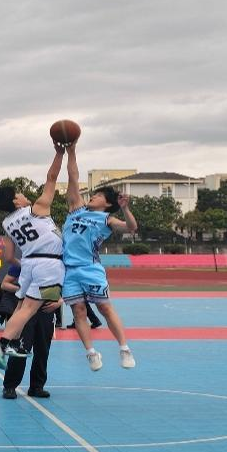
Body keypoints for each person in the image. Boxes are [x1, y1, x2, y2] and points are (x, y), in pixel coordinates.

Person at [61, 142, 138, 371]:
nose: (92, 196)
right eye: (93, 194)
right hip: (69, 270)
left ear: (108, 203)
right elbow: (73, 177)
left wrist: (125, 209)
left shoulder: (106, 219)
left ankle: (124, 349)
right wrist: (71, 151)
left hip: (90, 268)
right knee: (78, 311)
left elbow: (131, 228)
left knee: (104, 308)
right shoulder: (76, 209)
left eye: (97, 195)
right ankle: (91, 353)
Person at [0, 143, 68, 360]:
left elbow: (8, 257)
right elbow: (51, 178)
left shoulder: (6, 223)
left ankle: (13, 343)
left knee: (22, 308)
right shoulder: (37, 209)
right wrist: (59, 153)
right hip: (48, 264)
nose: (23, 194)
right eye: (19, 193)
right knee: (29, 309)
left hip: (29, 264)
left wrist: (24, 264)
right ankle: (1, 344)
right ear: (16, 201)